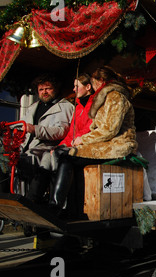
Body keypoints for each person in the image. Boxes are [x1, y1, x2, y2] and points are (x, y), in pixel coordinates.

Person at [49, 66, 138, 216]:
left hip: (118, 144)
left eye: (93, 82)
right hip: (106, 143)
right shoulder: (105, 98)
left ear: (100, 81)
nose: (93, 85)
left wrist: (83, 139)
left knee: (68, 157)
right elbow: (97, 127)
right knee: (69, 156)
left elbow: (110, 129)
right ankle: (73, 209)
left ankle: (56, 207)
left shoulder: (115, 96)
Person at [22, 74, 74, 203]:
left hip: (47, 147)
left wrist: (36, 129)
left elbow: (61, 131)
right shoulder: (32, 107)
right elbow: (21, 127)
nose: (44, 92)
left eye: (48, 88)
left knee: (29, 159)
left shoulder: (65, 107)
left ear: (55, 89)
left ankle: (31, 201)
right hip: (25, 146)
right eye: (41, 89)